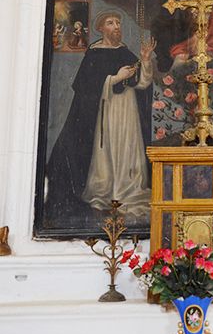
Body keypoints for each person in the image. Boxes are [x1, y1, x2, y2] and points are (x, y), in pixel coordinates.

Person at [46, 11, 155, 219]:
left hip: (128, 112)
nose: (116, 26)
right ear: (101, 28)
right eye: (111, 23)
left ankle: (128, 190)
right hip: (106, 112)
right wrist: (115, 78)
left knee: (128, 149)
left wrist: (146, 60)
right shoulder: (94, 54)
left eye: (118, 23)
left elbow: (142, 83)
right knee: (109, 150)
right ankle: (106, 193)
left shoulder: (125, 52)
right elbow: (86, 87)